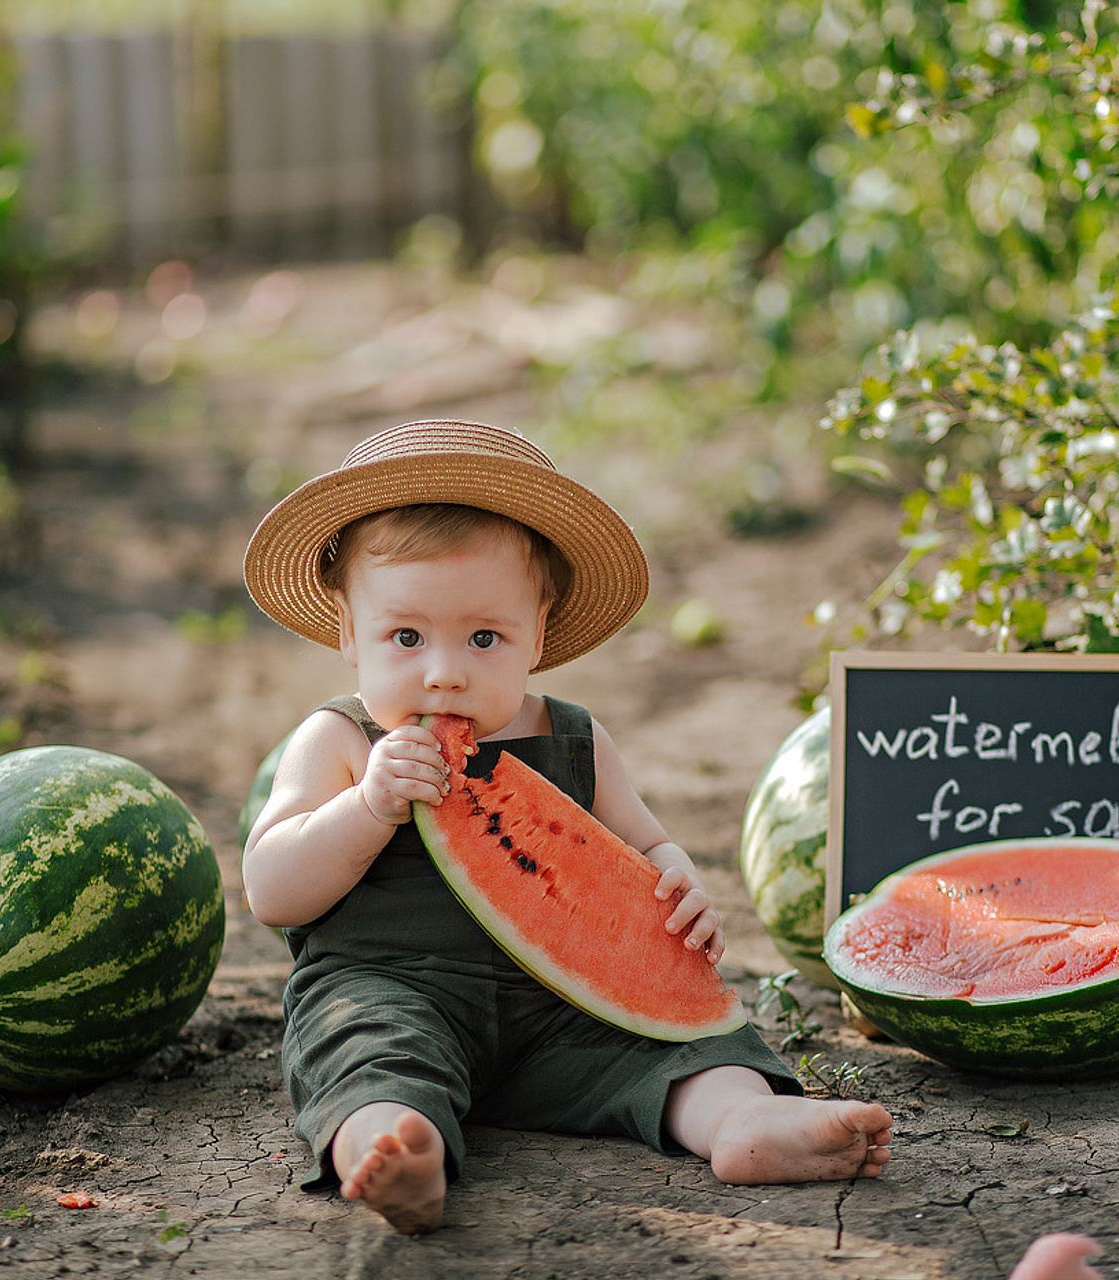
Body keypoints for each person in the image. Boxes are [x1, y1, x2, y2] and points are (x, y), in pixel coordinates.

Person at [241, 419, 892, 1235]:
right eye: (405, 637)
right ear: (347, 633)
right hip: (390, 988)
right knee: (367, 1056)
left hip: (563, 1012)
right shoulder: (339, 741)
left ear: (538, 632)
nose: (445, 670)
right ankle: (395, 1150)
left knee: (688, 1048)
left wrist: (679, 880)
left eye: (485, 637)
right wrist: (367, 806)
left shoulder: (575, 740)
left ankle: (739, 1124)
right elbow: (272, 890)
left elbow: (645, 844)